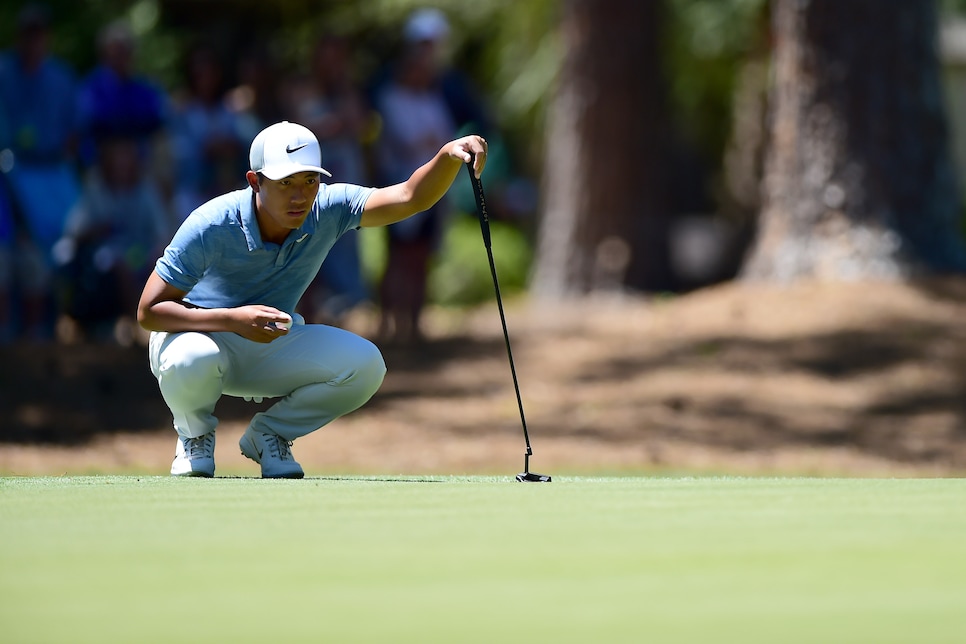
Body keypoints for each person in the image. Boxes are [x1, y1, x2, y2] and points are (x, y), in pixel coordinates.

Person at [136, 120, 487, 478]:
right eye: (285, 183)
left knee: (365, 365)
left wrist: (446, 156)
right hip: (198, 339)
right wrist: (231, 319)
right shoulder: (211, 223)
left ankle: (270, 434)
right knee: (193, 357)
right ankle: (194, 436)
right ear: (255, 181)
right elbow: (149, 311)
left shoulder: (328, 209)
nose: (300, 196)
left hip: (269, 341)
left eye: (309, 181)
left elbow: (410, 197)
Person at [0, 3, 80, 340]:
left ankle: (51, 330)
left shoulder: (60, 77)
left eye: (39, 34)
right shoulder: (3, 72)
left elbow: (75, 133)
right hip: (9, 174)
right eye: (28, 34)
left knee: (57, 250)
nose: (34, 41)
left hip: (53, 176)